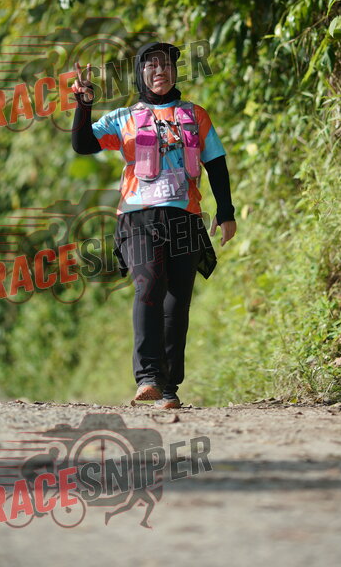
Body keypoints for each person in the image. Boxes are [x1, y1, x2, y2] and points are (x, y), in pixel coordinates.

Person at [70, 41, 237, 409]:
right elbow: (83, 144)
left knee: (177, 303)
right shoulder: (123, 118)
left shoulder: (196, 115)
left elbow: (216, 164)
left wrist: (226, 211)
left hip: (185, 217)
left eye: (167, 65)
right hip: (138, 218)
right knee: (148, 285)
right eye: (151, 65)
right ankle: (147, 376)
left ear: (175, 72)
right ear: (140, 73)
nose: (160, 71)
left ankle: (168, 386)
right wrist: (83, 103)